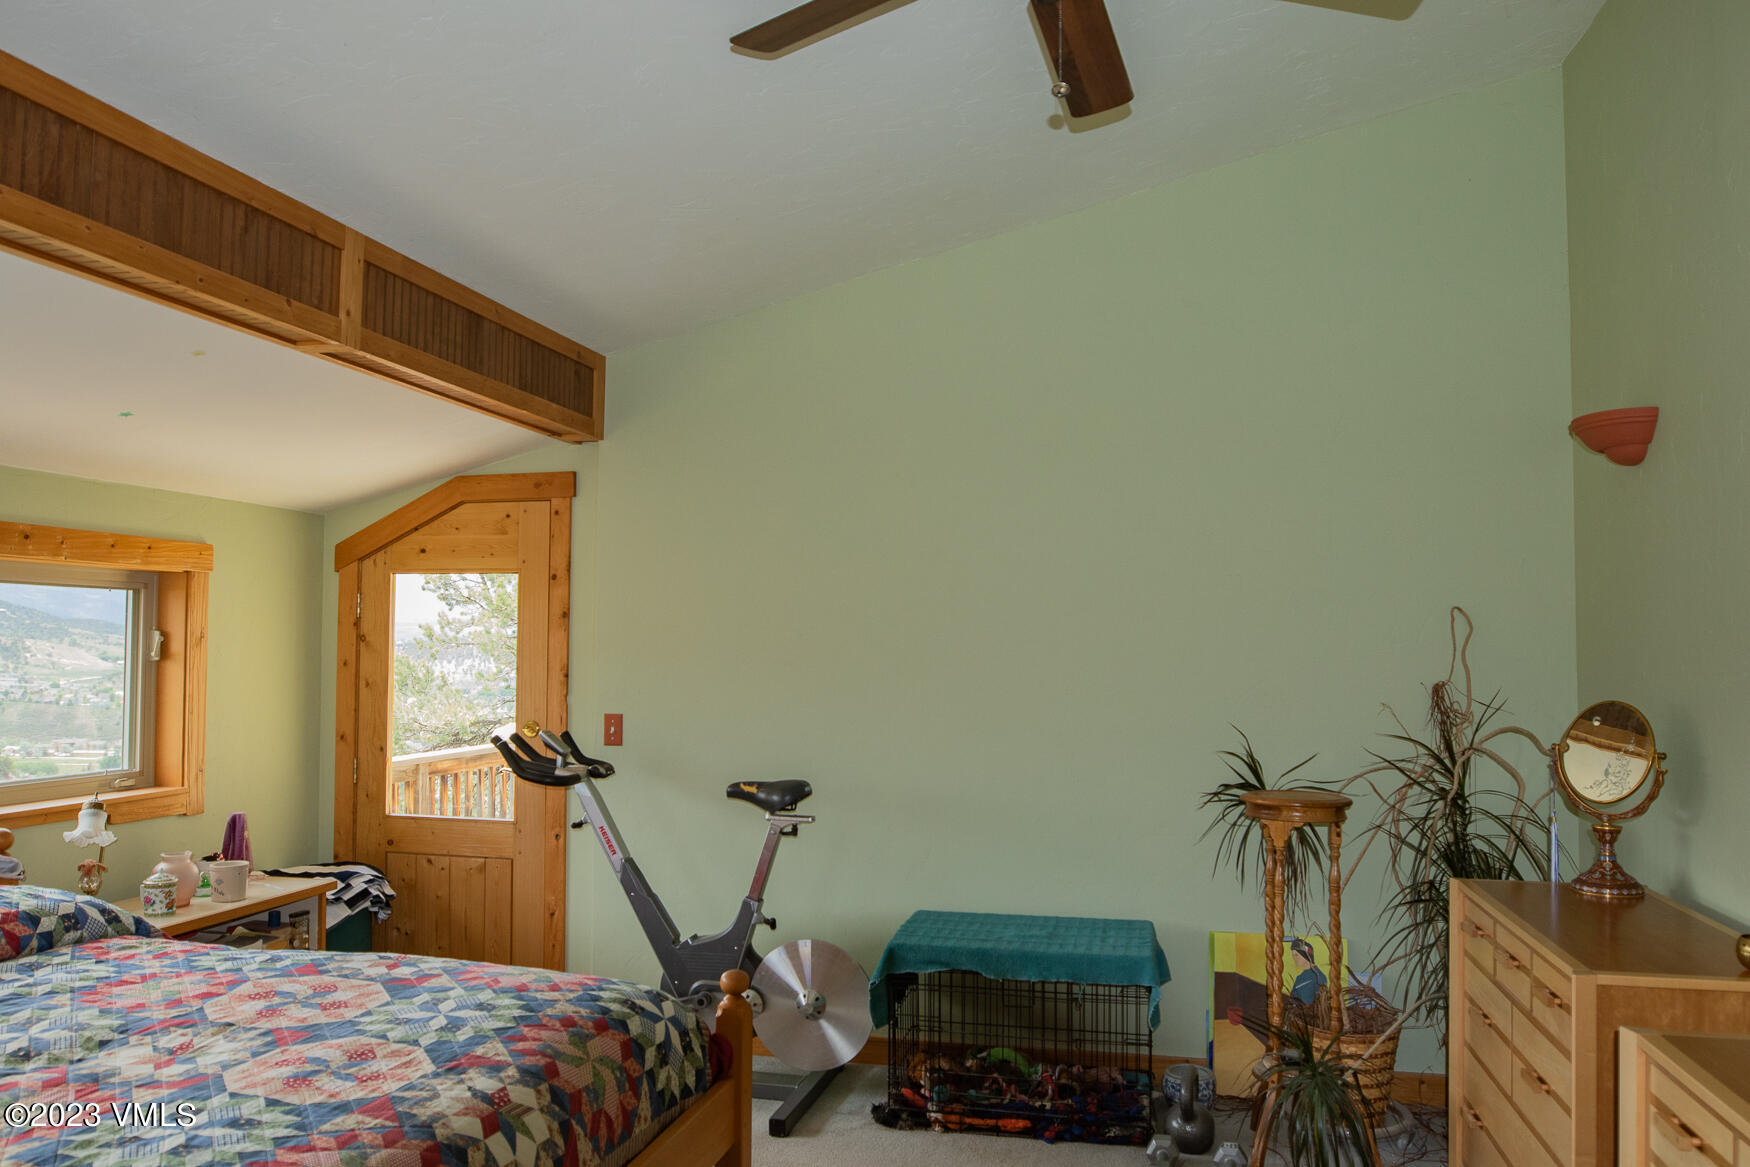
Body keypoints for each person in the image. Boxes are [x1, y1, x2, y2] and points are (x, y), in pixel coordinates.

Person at [1289, 937, 1326, 1004]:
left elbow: (1321, 1004)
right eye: (1293, 955)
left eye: (1296, 955)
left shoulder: (1319, 977)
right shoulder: (1299, 978)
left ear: (1306, 955)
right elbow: (1292, 999)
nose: (1294, 958)